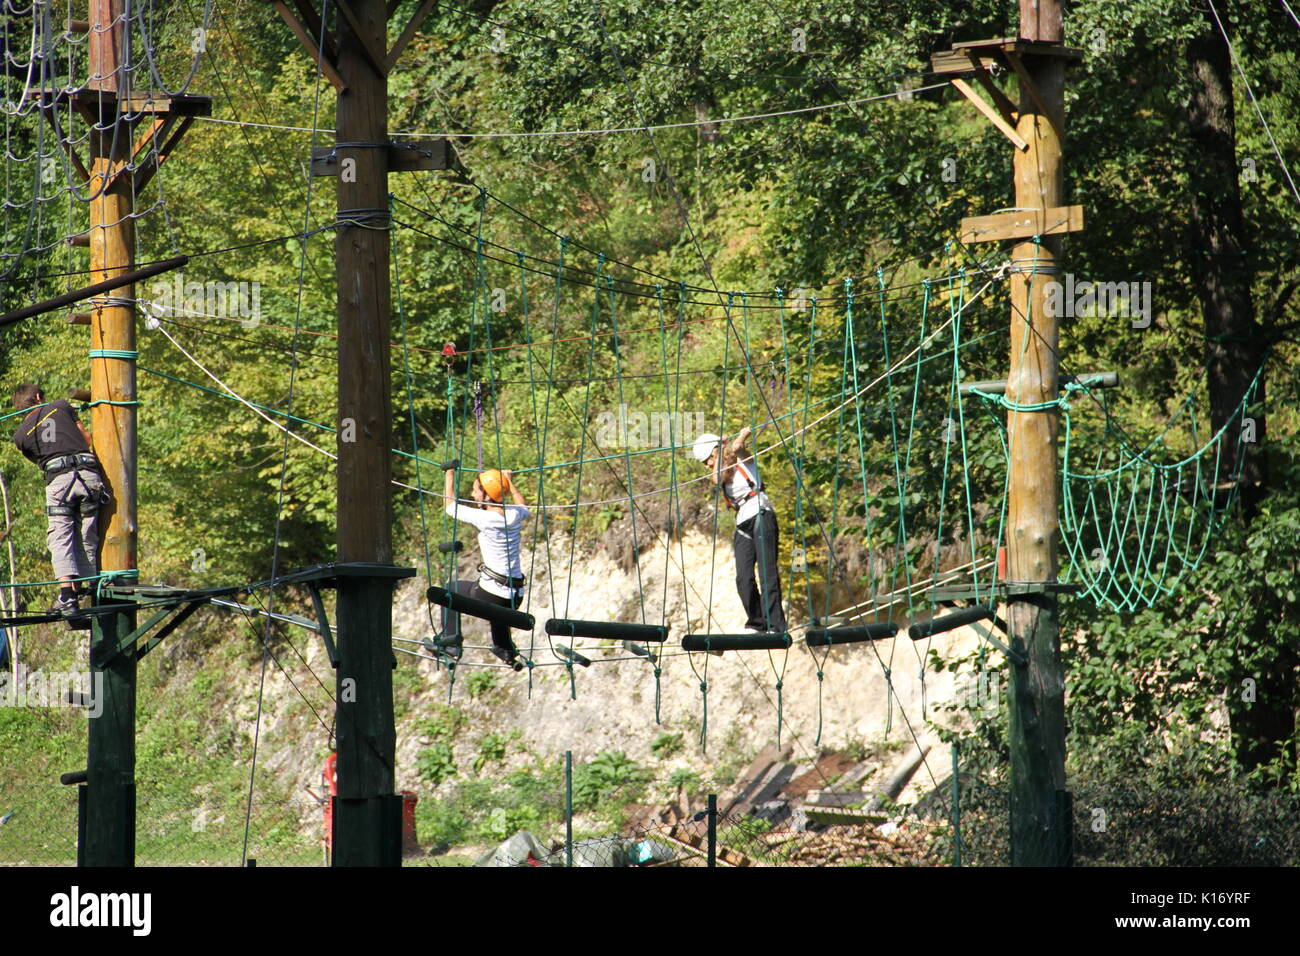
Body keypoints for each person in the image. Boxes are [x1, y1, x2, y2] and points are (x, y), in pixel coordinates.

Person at [10, 383, 109, 617]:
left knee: (60, 536)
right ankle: (92, 586)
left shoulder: (20, 436)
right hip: (88, 474)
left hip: (59, 480)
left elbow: (41, 463)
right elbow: (86, 438)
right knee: (87, 532)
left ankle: (68, 595)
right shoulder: (61, 406)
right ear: (38, 396)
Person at [693, 426, 788, 633]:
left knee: (766, 572)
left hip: (761, 513)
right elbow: (717, 477)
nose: (708, 464)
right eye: (705, 462)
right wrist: (722, 448)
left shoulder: (744, 462)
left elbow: (740, 450)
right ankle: (757, 622)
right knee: (743, 578)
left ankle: (776, 625)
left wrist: (737, 441)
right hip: (743, 521)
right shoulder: (720, 474)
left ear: (716, 451)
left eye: (709, 458)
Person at [439, 465, 530, 669]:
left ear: (488, 496)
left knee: (449, 589)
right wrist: (508, 482)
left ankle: (451, 642)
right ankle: (504, 649)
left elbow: (449, 506)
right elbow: (524, 506)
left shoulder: (486, 518)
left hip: (492, 594)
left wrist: (449, 474)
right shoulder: (514, 515)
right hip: (516, 595)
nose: (472, 494)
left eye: (475, 490)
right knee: (498, 609)